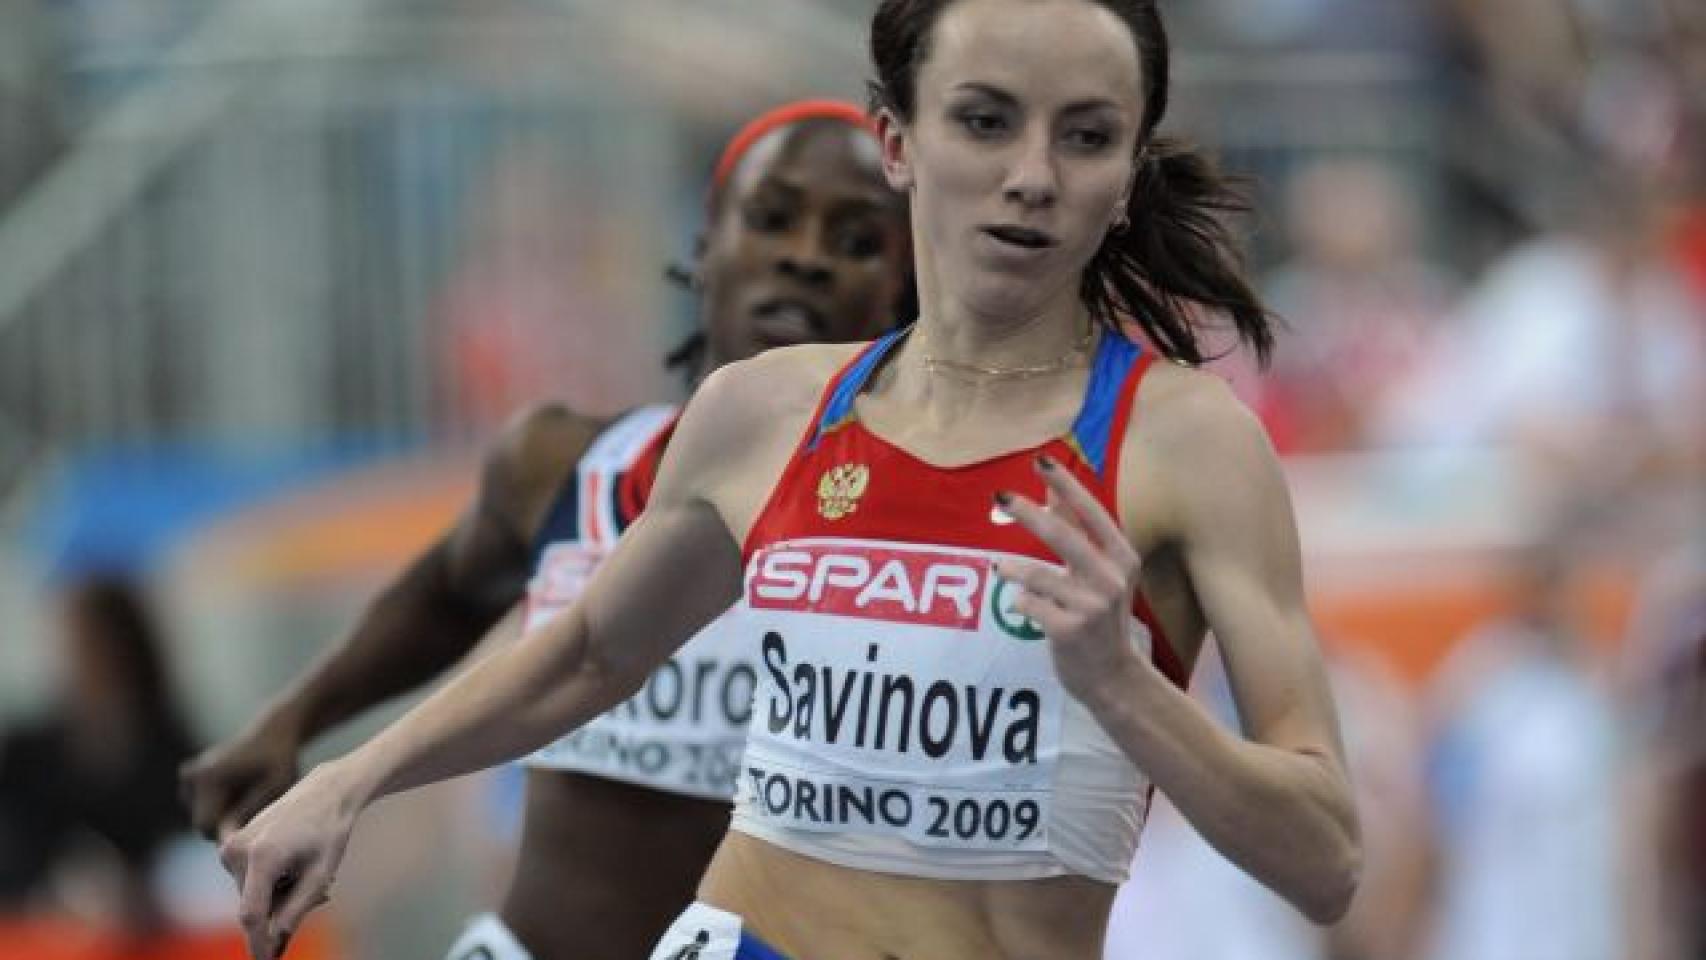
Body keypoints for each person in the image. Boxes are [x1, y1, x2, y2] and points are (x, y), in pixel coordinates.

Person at [219, 2, 1361, 958]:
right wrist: (346, 782)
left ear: (1124, 178)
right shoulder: (764, 411)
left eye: (1085, 136)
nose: (1029, 177)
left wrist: (1122, 686)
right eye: (983, 121)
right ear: (898, 143)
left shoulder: (1187, 443)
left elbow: (1323, 862)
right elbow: (588, 654)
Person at [179, 99, 912, 960]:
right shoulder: (563, 463)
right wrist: (291, 721)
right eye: (773, 218)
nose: (804, 259)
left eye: (858, 241)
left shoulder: (922, 530)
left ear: (909, 295)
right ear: (705, 247)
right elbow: (449, 592)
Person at [0, 576, 197, 934]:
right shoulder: (27, 755)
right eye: (74, 645)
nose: (82, 660)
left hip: (153, 937)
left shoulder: (178, 755)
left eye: (95, 644)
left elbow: (192, 856)